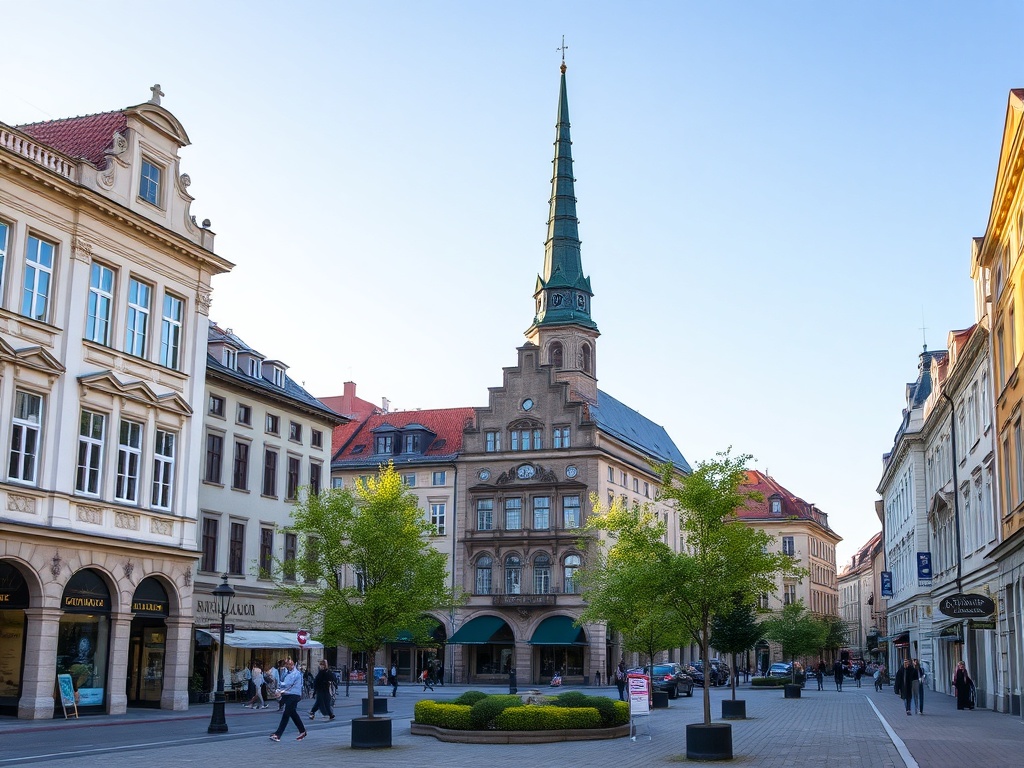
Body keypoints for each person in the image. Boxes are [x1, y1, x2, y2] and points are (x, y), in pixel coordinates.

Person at [269, 657, 307, 742]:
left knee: (286, 713)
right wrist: (278, 689)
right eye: (286, 664)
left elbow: (288, 684)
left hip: (294, 695)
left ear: (292, 664)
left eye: (289, 664)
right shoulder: (286, 672)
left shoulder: (296, 674)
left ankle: (278, 734)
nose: (287, 666)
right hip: (288, 694)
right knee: (293, 713)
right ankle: (302, 731)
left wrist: (279, 690)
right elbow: (282, 682)